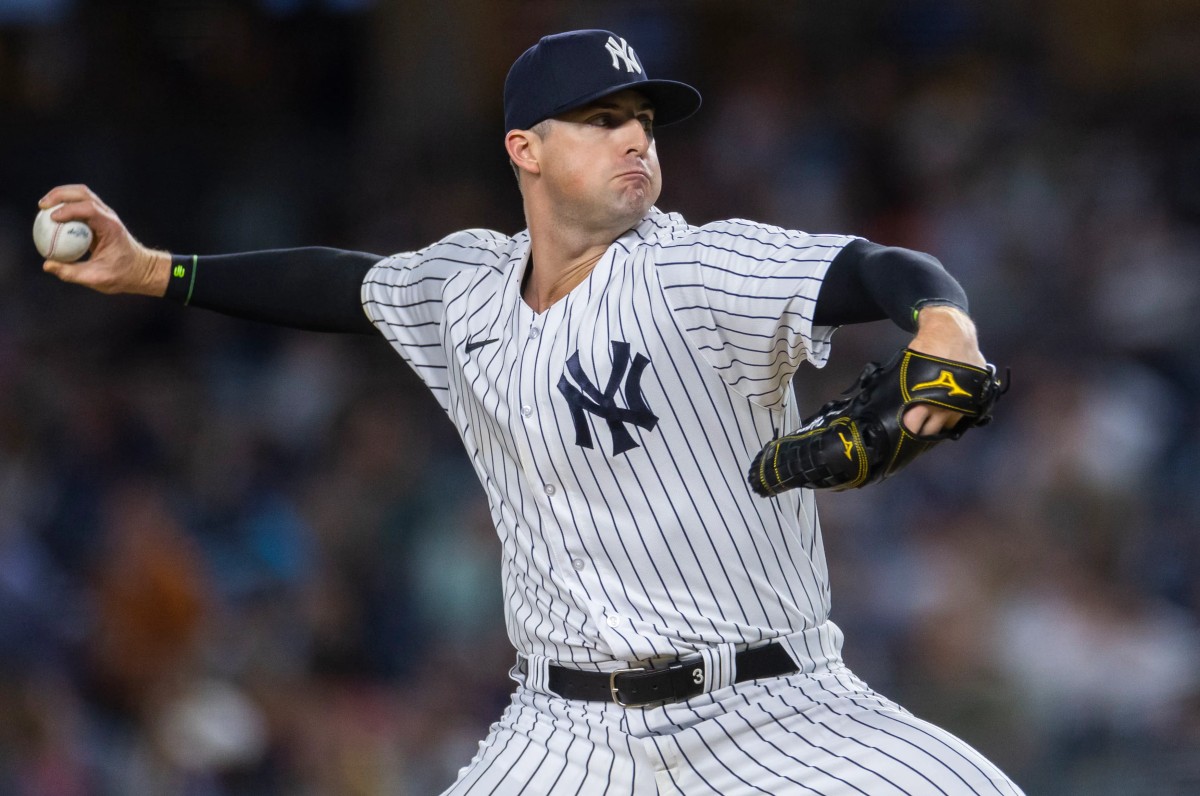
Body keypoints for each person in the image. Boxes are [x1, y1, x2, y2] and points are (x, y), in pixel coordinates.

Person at [41, 28, 1023, 796]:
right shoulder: (466, 287)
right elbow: (339, 287)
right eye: (601, 117)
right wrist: (153, 271)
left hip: (778, 714)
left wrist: (943, 320)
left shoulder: (694, 268)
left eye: (643, 117)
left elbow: (870, 269)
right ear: (528, 149)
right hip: (563, 732)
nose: (636, 135)